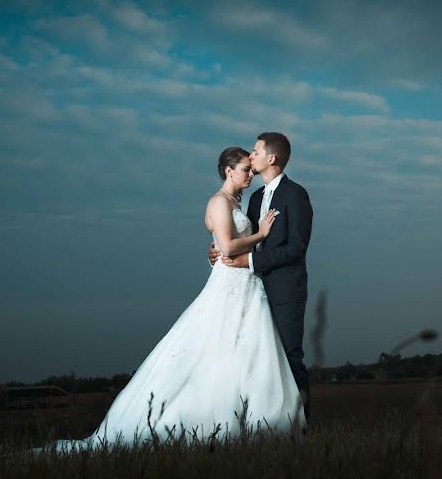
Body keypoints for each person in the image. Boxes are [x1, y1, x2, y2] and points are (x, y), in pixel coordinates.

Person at [36, 147, 304, 452]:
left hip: (246, 283)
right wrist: (260, 234)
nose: (250, 174)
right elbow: (228, 247)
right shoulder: (218, 201)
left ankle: (256, 423)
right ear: (229, 171)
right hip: (231, 282)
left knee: (247, 353)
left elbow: (221, 245)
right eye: (245, 169)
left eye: (250, 168)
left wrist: (218, 250)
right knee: (216, 350)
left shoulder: (237, 202)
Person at [209, 132, 314, 421]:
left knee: (289, 357)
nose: (251, 156)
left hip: (285, 290)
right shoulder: (254, 199)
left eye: (255, 152)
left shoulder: (296, 195)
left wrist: (251, 260)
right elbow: (246, 238)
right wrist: (219, 250)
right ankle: (264, 424)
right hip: (252, 290)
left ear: (271, 158)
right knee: (257, 360)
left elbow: (296, 248)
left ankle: (302, 428)